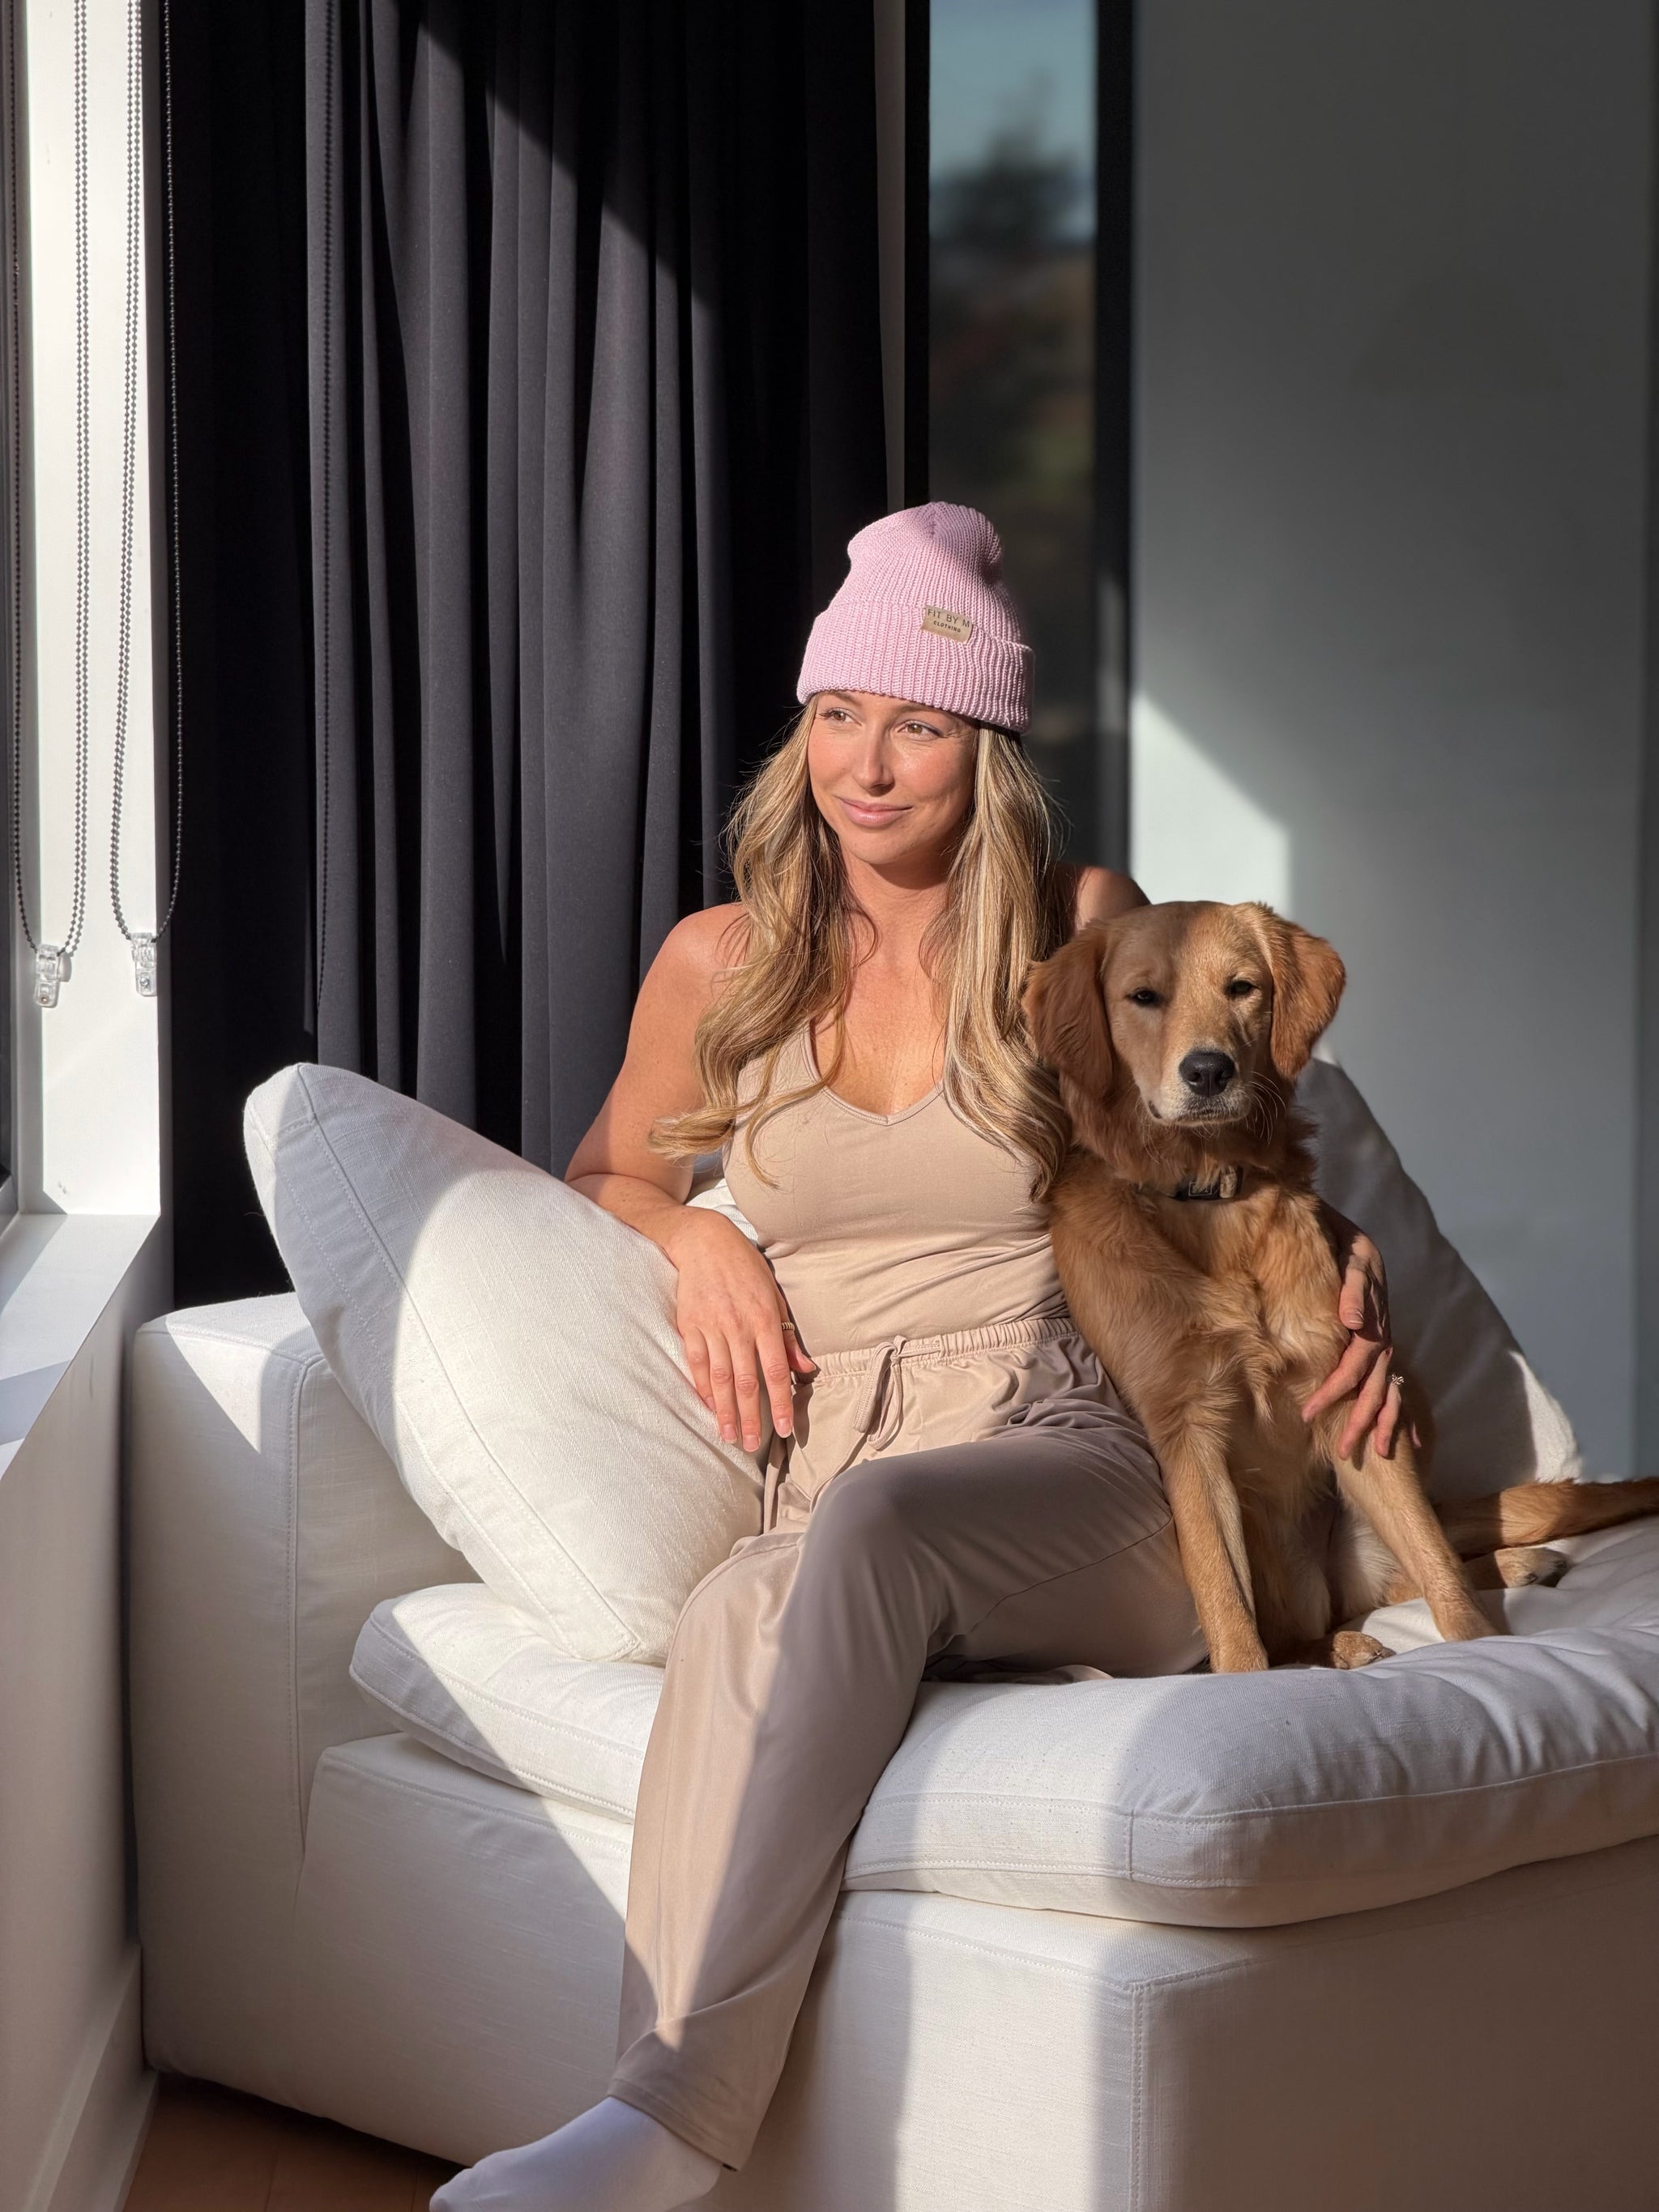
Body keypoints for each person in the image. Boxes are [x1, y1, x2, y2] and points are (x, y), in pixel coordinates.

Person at [433, 505, 1401, 2212]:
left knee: (864, 1538)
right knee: (737, 1606)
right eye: (838, 715)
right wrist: (700, 1238)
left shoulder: (1077, 930)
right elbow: (604, 1176)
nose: (868, 766)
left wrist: (1351, 1281)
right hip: (843, 1479)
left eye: (920, 725)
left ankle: (671, 2128)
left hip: (1091, 1469)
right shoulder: (724, 962)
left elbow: (1233, 1135)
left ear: (988, 749)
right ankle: (648, 2135)